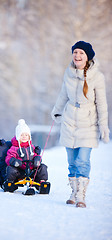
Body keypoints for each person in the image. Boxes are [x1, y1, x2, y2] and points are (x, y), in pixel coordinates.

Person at [51, 41, 109, 208]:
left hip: (88, 122)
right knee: (71, 161)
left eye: (81, 53)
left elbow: (102, 103)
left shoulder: (97, 77)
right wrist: (57, 110)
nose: (77, 56)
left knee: (82, 160)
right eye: (75, 52)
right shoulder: (68, 73)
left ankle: (81, 194)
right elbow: (63, 94)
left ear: (87, 56)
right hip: (69, 121)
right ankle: (73, 191)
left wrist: (103, 125)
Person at [3, 119, 48, 193]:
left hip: (31, 170)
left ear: (29, 136)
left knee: (42, 167)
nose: (24, 137)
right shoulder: (14, 148)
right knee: (10, 169)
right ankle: (10, 183)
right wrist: (14, 161)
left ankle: (42, 183)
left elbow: (36, 155)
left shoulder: (32, 147)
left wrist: (37, 159)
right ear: (18, 136)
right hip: (20, 170)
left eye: (26, 135)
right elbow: (8, 157)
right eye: (22, 135)